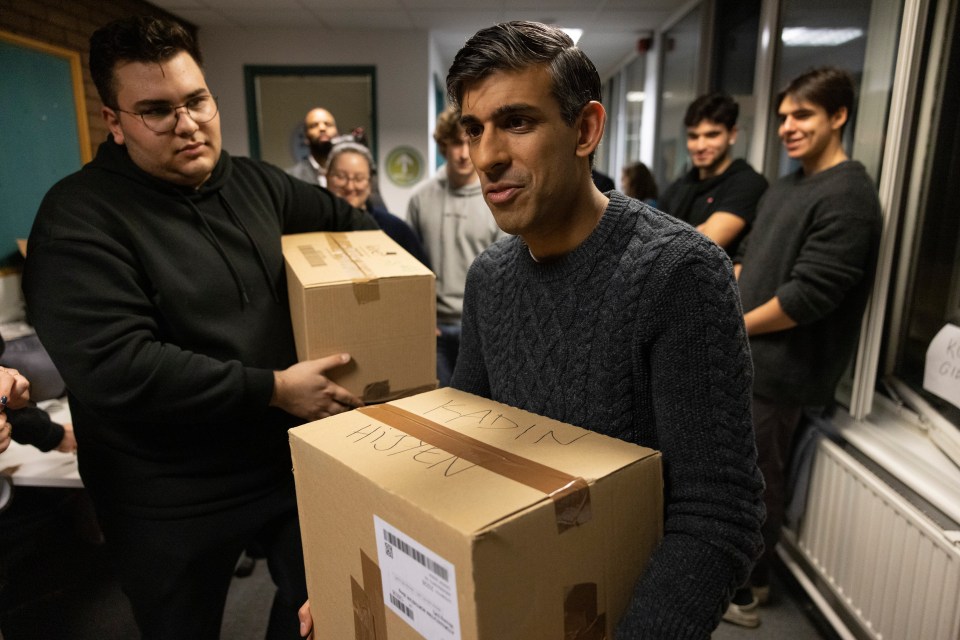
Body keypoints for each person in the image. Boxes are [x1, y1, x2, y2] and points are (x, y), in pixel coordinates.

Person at [21, 15, 377, 640]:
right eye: (156, 111)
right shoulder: (78, 219)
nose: (187, 125)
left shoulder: (256, 184)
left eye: (196, 101)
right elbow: (116, 368)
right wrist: (272, 387)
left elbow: (359, 232)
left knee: (323, 611)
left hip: (280, 462)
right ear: (114, 121)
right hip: (164, 494)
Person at [449, 20, 763, 638]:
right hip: (515, 597)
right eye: (474, 129)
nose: (486, 157)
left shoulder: (678, 274)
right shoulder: (488, 278)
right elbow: (463, 453)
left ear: (585, 130)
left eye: (516, 122)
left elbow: (719, 515)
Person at [729, 66, 882, 627]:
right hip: (748, 357)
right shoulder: (788, 185)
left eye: (803, 116)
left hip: (782, 371)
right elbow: (747, 250)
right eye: (784, 118)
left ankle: (750, 589)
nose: (788, 127)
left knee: (756, 481)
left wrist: (735, 325)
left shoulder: (849, 194)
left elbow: (808, 296)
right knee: (735, 474)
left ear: (838, 116)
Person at [406, 105, 505, 387]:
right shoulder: (420, 198)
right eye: (454, 144)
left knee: (477, 410)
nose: (463, 153)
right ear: (442, 146)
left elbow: (505, 273)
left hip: (480, 327)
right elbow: (408, 266)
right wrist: (418, 321)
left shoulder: (499, 196)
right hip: (431, 328)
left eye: (469, 142)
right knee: (436, 411)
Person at [659, 93, 767, 256]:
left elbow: (699, 247)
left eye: (712, 135)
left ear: (732, 134)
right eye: (694, 136)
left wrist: (671, 238)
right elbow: (649, 240)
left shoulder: (748, 183)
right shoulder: (680, 187)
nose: (700, 146)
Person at [326, 141, 431, 268]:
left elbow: (423, 277)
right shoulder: (311, 226)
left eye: (359, 179)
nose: (350, 186)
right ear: (327, 177)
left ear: (370, 183)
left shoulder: (395, 229)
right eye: (341, 177)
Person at [286, 107, 338, 186]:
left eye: (328, 124)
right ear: (306, 137)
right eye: (314, 125)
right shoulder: (292, 178)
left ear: (337, 134)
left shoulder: (351, 173)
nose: (322, 128)